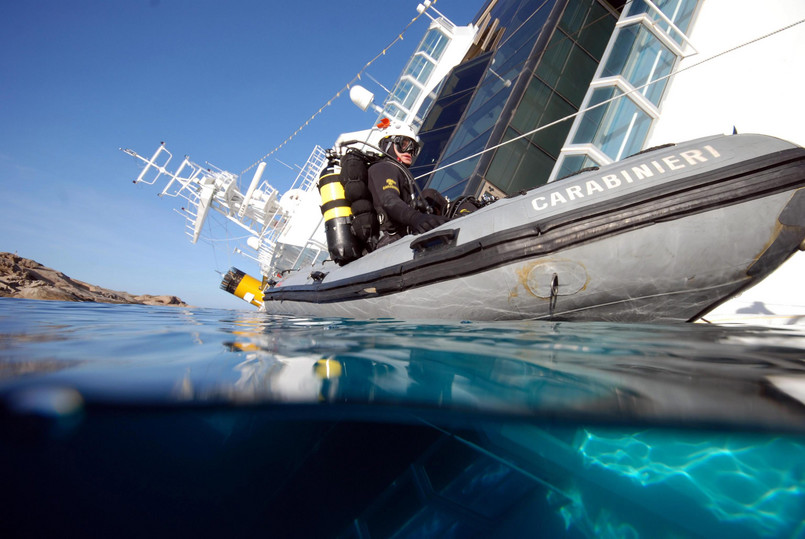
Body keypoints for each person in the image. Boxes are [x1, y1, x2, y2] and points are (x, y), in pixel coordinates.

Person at [367, 124, 447, 247]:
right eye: (404, 144)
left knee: (430, 196)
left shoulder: (400, 172)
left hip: (403, 235)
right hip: (391, 240)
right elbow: (389, 201)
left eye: (413, 148)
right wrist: (416, 218)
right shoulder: (383, 167)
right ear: (388, 145)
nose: (409, 150)